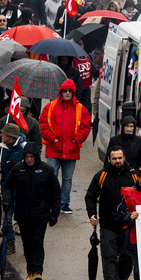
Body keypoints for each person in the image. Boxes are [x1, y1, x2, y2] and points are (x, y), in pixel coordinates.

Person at [2, 142, 60, 280]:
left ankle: (38, 272)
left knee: (37, 242)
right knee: (27, 244)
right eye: (26, 157)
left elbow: (56, 192)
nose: (29, 160)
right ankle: (30, 272)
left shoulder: (47, 170)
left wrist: (55, 213)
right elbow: (7, 186)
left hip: (40, 214)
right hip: (22, 214)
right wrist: (7, 200)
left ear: (36, 157)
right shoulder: (18, 169)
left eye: (31, 157)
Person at [85, 146, 136, 280]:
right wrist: (92, 214)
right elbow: (90, 196)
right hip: (107, 224)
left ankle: (122, 278)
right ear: (108, 159)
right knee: (109, 255)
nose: (117, 161)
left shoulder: (133, 176)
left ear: (124, 158)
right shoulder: (101, 176)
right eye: (114, 158)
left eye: (120, 158)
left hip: (128, 225)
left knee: (127, 255)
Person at [39, 78, 91, 214]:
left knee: (67, 179)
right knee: (52, 176)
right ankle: (52, 202)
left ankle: (64, 204)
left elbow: (85, 127)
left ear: (73, 92)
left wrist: (75, 141)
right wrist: (53, 139)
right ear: (60, 91)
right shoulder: (50, 106)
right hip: (54, 149)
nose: (67, 93)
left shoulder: (81, 109)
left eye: (70, 91)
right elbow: (43, 124)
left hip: (70, 150)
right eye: (65, 90)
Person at [0, 123, 26, 252]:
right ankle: (10, 242)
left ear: (11, 137)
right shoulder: (2, 148)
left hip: (22, 190)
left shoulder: (24, 149)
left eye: (4, 134)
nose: (1, 135)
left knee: (24, 219)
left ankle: (28, 244)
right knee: (7, 217)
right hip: (7, 188)